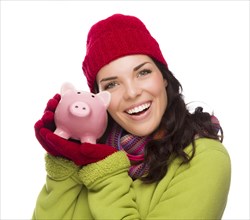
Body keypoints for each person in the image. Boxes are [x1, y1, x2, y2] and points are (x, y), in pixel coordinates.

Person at [33, 14, 231, 219]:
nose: (132, 92)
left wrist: (105, 171)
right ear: (101, 100)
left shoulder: (204, 157)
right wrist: (64, 161)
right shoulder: (88, 155)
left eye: (143, 73)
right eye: (112, 84)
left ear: (163, 77)